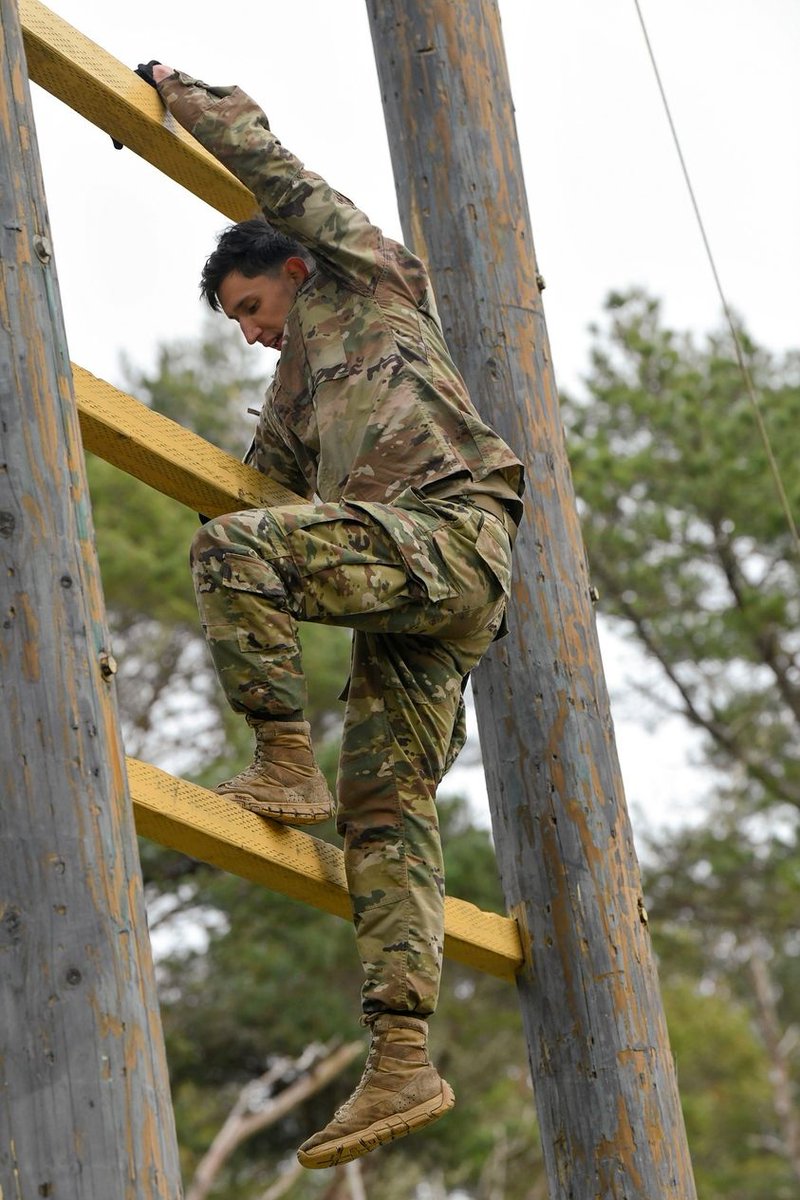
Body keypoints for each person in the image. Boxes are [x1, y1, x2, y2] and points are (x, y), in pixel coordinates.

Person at [146, 62, 525, 1169]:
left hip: (446, 535)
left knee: (232, 552)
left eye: (254, 308)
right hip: (415, 600)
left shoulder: (367, 278)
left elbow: (275, 172)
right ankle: (402, 1052)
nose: (254, 335)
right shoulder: (297, 394)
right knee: (384, 805)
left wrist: (183, 98)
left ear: (293, 271)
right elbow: (255, 481)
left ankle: (278, 759)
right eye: (237, 326)